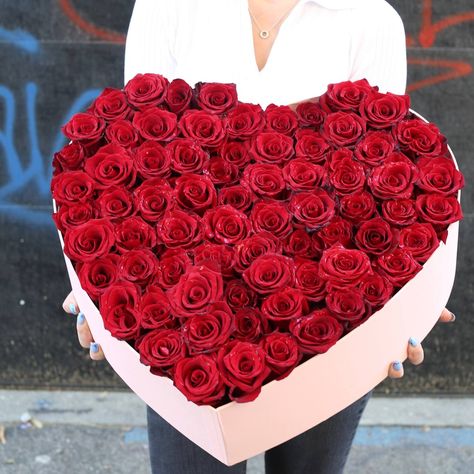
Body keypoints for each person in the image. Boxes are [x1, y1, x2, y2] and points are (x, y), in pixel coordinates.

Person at [62, 0, 457, 472]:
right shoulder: (168, 7)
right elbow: (129, 159)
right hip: (183, 311)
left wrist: (407, 302)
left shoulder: (369, 19)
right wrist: (99, 291)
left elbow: (385, 178)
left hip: (324, 312)